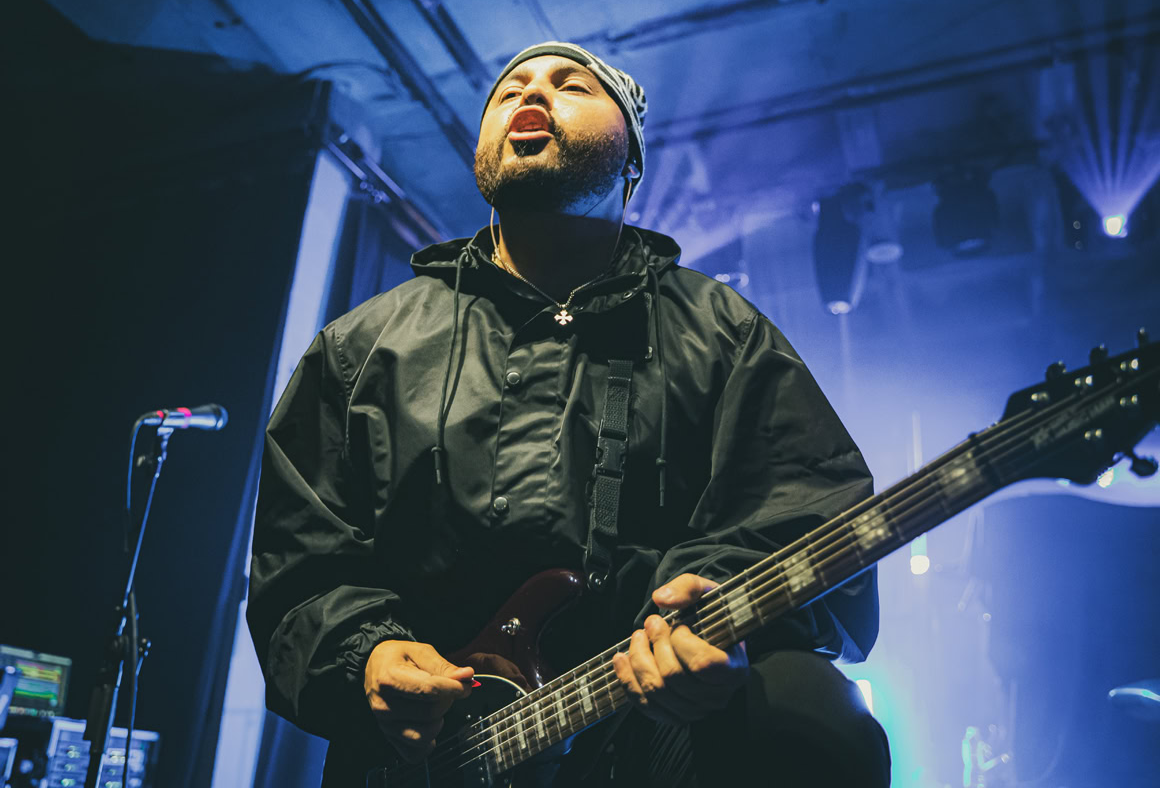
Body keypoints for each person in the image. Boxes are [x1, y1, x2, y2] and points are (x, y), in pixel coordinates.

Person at [248, 41, 890, 786]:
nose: (530, 93)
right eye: (508, 90)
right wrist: (367, 654)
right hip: (434, 757)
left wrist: (714, 606)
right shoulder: (363, 346)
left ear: (631, 160)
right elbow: (300, 565)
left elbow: (807, 511)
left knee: (814, 717)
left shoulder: (725, 333)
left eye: (571, 84)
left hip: (650, 729)